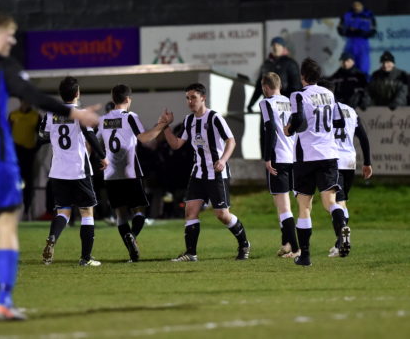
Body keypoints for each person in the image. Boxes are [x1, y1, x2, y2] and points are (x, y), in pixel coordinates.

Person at [0, 12, 100, 323]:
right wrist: (76, 115)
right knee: (5, 228)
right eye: (10, 36)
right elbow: (34, 96)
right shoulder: (4, 66)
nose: (13, 42)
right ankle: (3, 303)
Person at [163, 83, 250, 262]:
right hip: (198, 173)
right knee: (190, 211)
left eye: (193, 97)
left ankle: (244, 244)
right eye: (187, 98)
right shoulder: (188, 120)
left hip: (217, 173)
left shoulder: (215, 118)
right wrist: (165, 126)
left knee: (222, 215)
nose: (190, 101)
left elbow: (231, 141)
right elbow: (177, 144)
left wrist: (223, 160)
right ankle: (191, 253)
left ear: (203, 97)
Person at [283, 58, 348, 267]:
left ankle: (306, 256)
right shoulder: (329, 94)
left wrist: (289, 129)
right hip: (329, 154)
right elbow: (339, 121)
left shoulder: (298, 95)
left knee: (304, 206)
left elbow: (299, 119)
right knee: (330, 202)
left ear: (302, 76)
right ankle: (341, 230)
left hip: (306, 155)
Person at [40, 76, 108, 267]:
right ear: (77, 94)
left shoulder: (50, 114)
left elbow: (41, 136)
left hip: (58, 170)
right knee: (87, 212)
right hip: (78, 169)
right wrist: (103, 156)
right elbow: (90, 136)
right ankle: (86, 258)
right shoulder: (80, 113)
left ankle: (52, 237)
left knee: (63, 211)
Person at [97, 84, 168, 262]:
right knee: (139, 210)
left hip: (110, 174)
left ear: (113, 99)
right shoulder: (130, 117)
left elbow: (94, 143)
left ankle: (130, 247)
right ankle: (132, 236)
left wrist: (101, 157)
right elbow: (144, 138)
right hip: (130, 172)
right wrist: (161, 125)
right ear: (128, 99)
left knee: (121, 215)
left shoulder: (103, 119)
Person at [317, 80, 373, 257]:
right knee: (342, 202)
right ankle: (339, 242)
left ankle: (341, 237)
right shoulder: (350, 110)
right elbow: (363, 138)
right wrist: (367, 163)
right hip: (350, 161)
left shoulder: (322, 111)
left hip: (333, 161)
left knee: (331, 203)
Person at [258, 72, 299, 258]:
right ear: (279, 85)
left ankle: (297, 249)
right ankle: (286, 244)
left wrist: (267, 158)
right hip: (294, 158)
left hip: (278, 158)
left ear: (265, 87)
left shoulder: (266, 103)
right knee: (283, 204)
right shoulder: (291, 102)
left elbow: (270, 130)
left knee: (283, 207)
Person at [247, 36, 302, 112]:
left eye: (278, 45)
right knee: (268, 123)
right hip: (268, 105)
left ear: (283, 48)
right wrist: (251, 103)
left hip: (284, 106)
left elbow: (296, 87)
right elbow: (259, 86)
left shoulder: (290, 63)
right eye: (274, 46)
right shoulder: (266, 64)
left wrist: (293, 105)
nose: (276, 48)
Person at [8, 98, 42, 218]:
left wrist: (35, 149)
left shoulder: (35, 116)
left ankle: (27, 210)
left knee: (28, 182)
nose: (25, 103)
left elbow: (41, 135)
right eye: (23, 100)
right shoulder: (13, 115)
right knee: (15, 181)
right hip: (16, 153)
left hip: (28, 153)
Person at [337, 0, 376, 76]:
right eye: (355, 5)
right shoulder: (347, 14)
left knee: (363, 64)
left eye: (358, 5)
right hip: (350, 42)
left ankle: (363, 81)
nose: (356, 7)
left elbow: (373, 30)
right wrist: (349, 32)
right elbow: (340, 28)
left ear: (362, 5)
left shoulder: (368, 14)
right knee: (348, 62)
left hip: (363, 42)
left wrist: (362, 33)